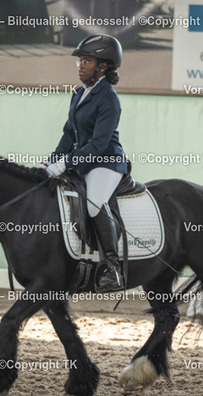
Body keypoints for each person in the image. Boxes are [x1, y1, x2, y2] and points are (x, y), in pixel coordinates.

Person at [45, 34, 128, 293]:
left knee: (94, 204)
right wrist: (53, 161)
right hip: (84, 161)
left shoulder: (109, 98)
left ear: (102, 66)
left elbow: (99, 144)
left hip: (106, 161)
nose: (80, 66)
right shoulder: (80, 93)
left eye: (86, 61)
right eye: (79, 61)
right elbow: (69, 134)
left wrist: (66, 164)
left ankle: (112, 266)